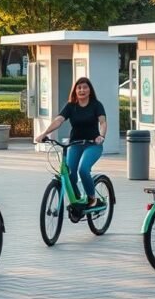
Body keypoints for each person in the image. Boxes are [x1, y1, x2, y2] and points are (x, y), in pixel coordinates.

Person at [34, 77, 108, 208]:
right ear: (75, 91)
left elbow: (102, 122)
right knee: (69, 173)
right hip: (74, 144)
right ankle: (77, 200)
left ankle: (92, 198)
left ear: (90, 90)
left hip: (92, 144)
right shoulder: (71, 106)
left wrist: (101, 136)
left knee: (83, 170)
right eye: (79, 88)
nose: (82, 90)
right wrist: (44, 134)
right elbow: (59, 120)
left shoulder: (96, 105)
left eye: (85, 87)